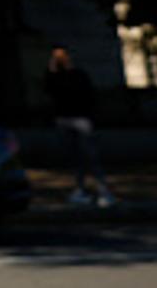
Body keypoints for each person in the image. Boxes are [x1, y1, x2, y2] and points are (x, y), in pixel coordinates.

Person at [46, 45, 114, 207]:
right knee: (74, 158)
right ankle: (80, 189)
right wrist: (52, 71)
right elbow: (47, 90)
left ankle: (103, 189)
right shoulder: (54, 76)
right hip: (63, 120)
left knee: (90, 155)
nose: (59, 60)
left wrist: (90, 117)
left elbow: (89, 95)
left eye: (61, 56)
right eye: (56, 57)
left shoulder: (78, 75)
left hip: (80, 119)